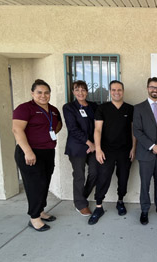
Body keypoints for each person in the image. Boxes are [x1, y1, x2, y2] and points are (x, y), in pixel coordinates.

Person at [12, 79, 62, 232]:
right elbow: (17, 130)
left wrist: (46, 136)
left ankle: (40, 211)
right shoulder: (25, 108)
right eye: (39, 92)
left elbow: (58, 125)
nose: (43, 95)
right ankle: (34, 218)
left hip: (47, 151)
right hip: (30, 152)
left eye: (46, 92)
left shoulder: (53, 110)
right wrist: (28, 151)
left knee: (44, 183)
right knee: (34, 185)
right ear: (32, 93)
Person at [88, 80, 136, 225]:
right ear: (110, 91)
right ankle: (98, 206)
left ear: (123, 91)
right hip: (106, 150)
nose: (117, 92)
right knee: (103, 177)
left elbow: (134, 130)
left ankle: (120, 201)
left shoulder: (130, 109)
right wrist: (98, 149)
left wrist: (133, 148)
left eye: (119, 90)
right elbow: (97, 130)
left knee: (123, 178)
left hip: (125, 150)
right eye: (114, 90)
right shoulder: (102, 108)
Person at [133, 77, 157, 225]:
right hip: (145, 153)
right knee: (145, 183)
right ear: (147, 88)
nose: (154, 90)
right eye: (152, 87)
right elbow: (137, 131)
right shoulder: (138, 108)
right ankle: (144, 210)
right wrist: (152, 146)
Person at [63, 80, 99, 217]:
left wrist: (95, 144)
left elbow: (98, 126)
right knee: (79, 175)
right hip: (77, 147)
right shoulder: (69, 107)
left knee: (95, 172)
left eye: (83, 90)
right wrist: (88, 142)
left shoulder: (94, 106)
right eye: (77, 90)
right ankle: (80, 204)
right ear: (73, 92)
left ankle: (81, 196)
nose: (80, 92)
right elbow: (72, 128)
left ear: (87, 91)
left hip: (93, 146)